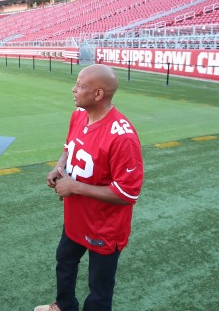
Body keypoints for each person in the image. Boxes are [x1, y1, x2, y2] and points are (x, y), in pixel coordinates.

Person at [36, 64, 145, 311]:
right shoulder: (78, 114)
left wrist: (75, 187)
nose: (73, 90)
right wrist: (59, 167)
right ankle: (64, 306)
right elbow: (69, 147)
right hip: (76, 216)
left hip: (104, 227)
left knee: (99, 289)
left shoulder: (122, 137)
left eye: (80, 86)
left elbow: (127, 193)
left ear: (98, 94)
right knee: (64, 261)